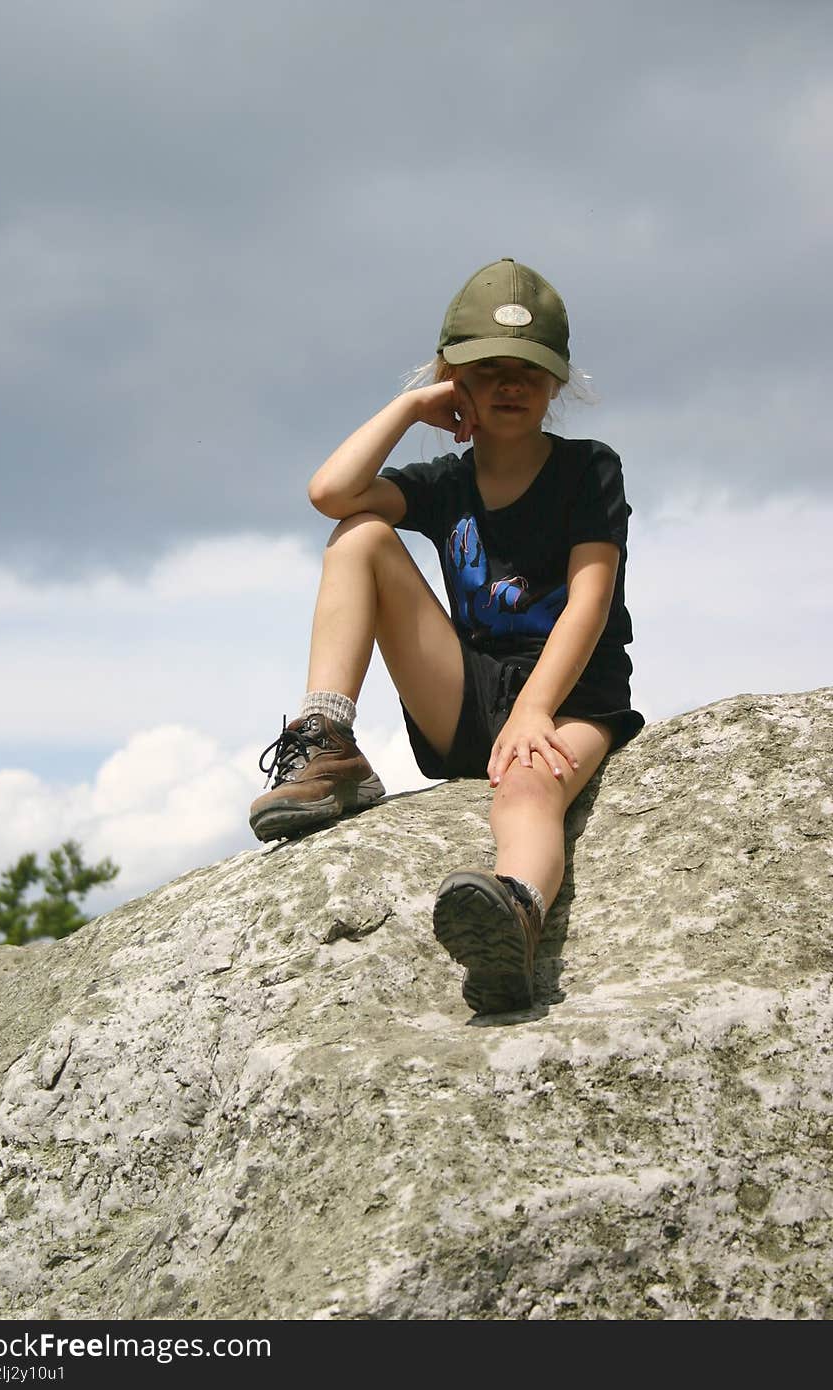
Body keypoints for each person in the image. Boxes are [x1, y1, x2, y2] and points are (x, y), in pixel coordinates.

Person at [249, 257, 644, 1016]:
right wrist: (408, 409)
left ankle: (514, 919)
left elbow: (589, 605)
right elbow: (328, 491)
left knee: (529, 789)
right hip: (466, 696)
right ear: (453, 378)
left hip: (570, 696)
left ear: (557, 382)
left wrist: (534, 711)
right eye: (487, 368)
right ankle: (327, 740)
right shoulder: (445, 485)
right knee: (358, 533)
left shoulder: (590, 470)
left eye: (529, 370)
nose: (510, 384)